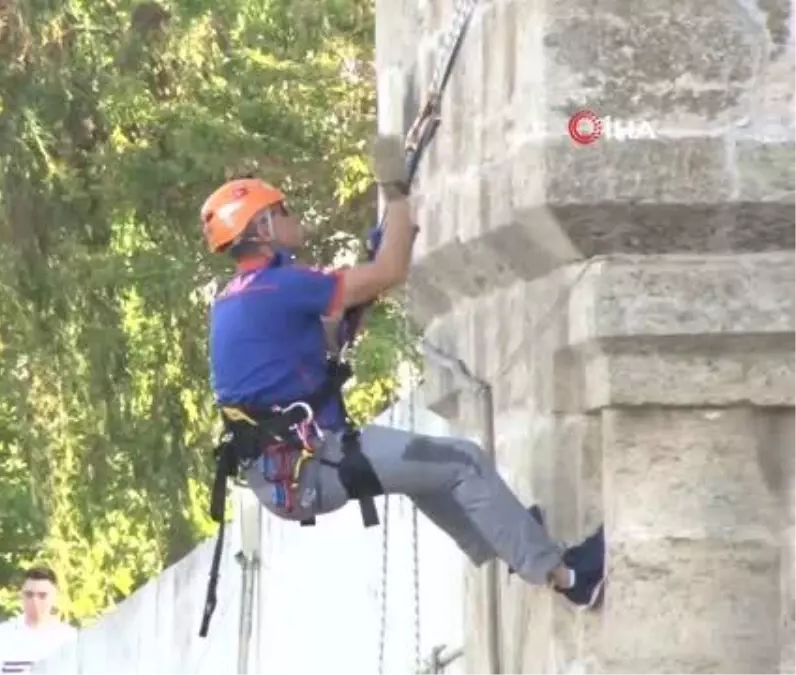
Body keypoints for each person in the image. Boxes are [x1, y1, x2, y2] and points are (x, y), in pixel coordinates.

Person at [200, 134, 607, 610]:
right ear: (263, 227)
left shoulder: (236, 298)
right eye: (283, 211)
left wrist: (364, 286)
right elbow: (391, 271)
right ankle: (567, 576)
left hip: (286, 471)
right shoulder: (280, 286)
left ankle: (510, 537)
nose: (293, 216)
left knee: (424, 473)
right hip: (312, 463)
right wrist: (395, 195)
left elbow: (326, 343)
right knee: (463, 462)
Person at [0, 567, 77, 675]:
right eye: (29, 595)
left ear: (54, 597)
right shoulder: (3, 635)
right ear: (21, 595)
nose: (35, 601)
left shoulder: (68, 638)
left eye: (42, 595)